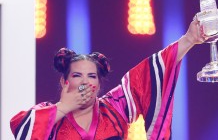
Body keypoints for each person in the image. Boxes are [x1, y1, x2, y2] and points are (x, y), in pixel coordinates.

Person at [10, 19, 206, 140]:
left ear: (98, 84)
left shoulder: (114, 108)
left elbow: (147, 76)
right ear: (64, 81)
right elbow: (20, 128)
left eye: (92, 76)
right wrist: (63, 107)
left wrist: (189, 40)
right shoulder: (47, 114)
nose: (85, 82)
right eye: (77, 75)